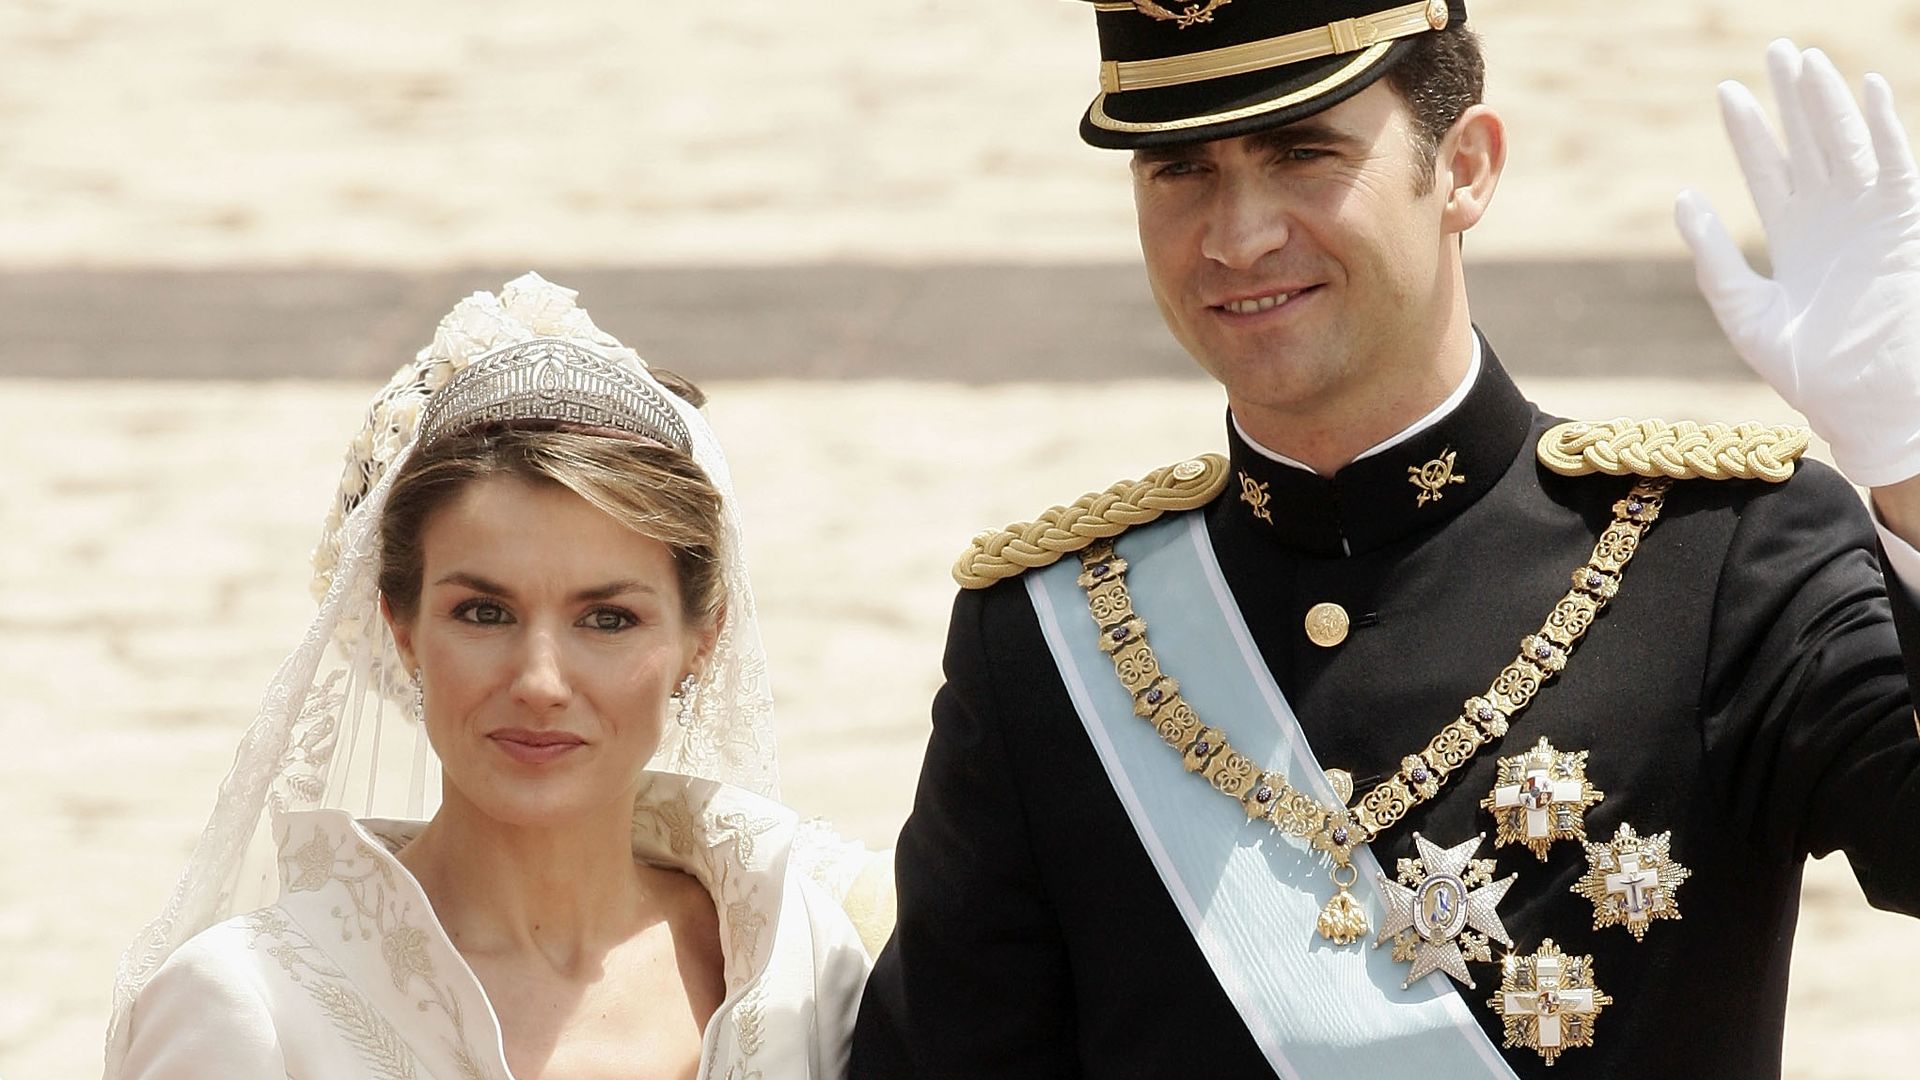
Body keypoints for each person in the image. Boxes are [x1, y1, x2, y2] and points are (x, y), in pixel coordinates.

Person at [852, 4, 1920, 1078]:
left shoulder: (1722, 557)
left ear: (1465, 169)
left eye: (1304, 154)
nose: (1238, 236)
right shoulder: (1051, 638)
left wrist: (1914, 469)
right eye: (1180, 171)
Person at [105, 274, 891, 1079]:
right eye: (484, 613)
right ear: (401, 628)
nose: (541, 681)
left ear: (702, 639)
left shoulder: (800, 962)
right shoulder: (249, 1011)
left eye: (608, 619)